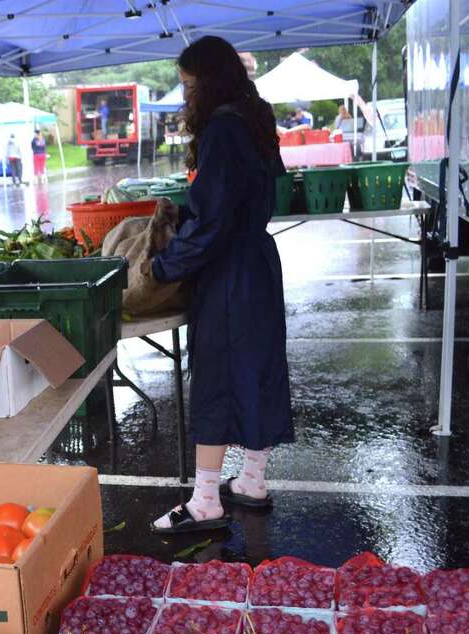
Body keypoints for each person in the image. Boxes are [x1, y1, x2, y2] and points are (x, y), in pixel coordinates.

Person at [147, 34, 295, 533]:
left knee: (217, 380)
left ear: (207, 81)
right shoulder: (256, 117)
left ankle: (206, 501)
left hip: (229, 275)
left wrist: (163, 266)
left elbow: (213, 222)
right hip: (257, 264)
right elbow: (242, 199)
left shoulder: (222, 129)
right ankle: (252, 482)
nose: (187, 96)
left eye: (189, 85)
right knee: (258, 371)